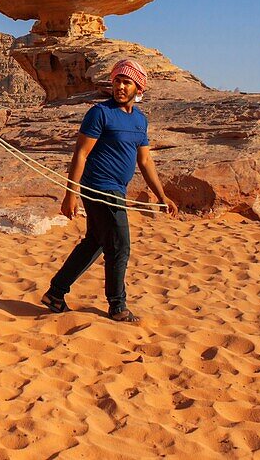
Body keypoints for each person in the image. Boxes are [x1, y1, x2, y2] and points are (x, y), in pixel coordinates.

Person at [41, 59, 178, 323]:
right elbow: (80, 153)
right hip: (99, 188)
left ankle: (55, 293)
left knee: (95, 242)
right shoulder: (99, 113)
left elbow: (145, 161)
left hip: (117, 190)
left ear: (138, 87)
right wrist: (70, 194)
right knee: (120, 247)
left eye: (127, 82)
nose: (120, 87)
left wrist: (162, 196)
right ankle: (118, 305)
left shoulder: (140, 120)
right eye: (117, 81)